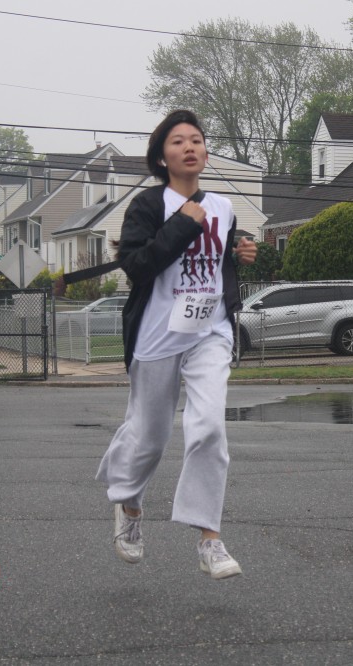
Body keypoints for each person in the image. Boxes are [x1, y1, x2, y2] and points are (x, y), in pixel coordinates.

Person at [96, 110, 257, 578]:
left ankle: (210, 538)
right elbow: (137, 265)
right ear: (162, 157)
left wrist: (240, 253)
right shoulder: (149, 205)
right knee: (150, 436)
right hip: (159, 334)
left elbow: (217, 263)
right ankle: (128, 503)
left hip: (210, 331)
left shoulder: (223, 207)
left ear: (205, 152)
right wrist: (183, 223)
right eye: (178, 141)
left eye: (197, 140)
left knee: (208, 428)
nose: (189, 147)